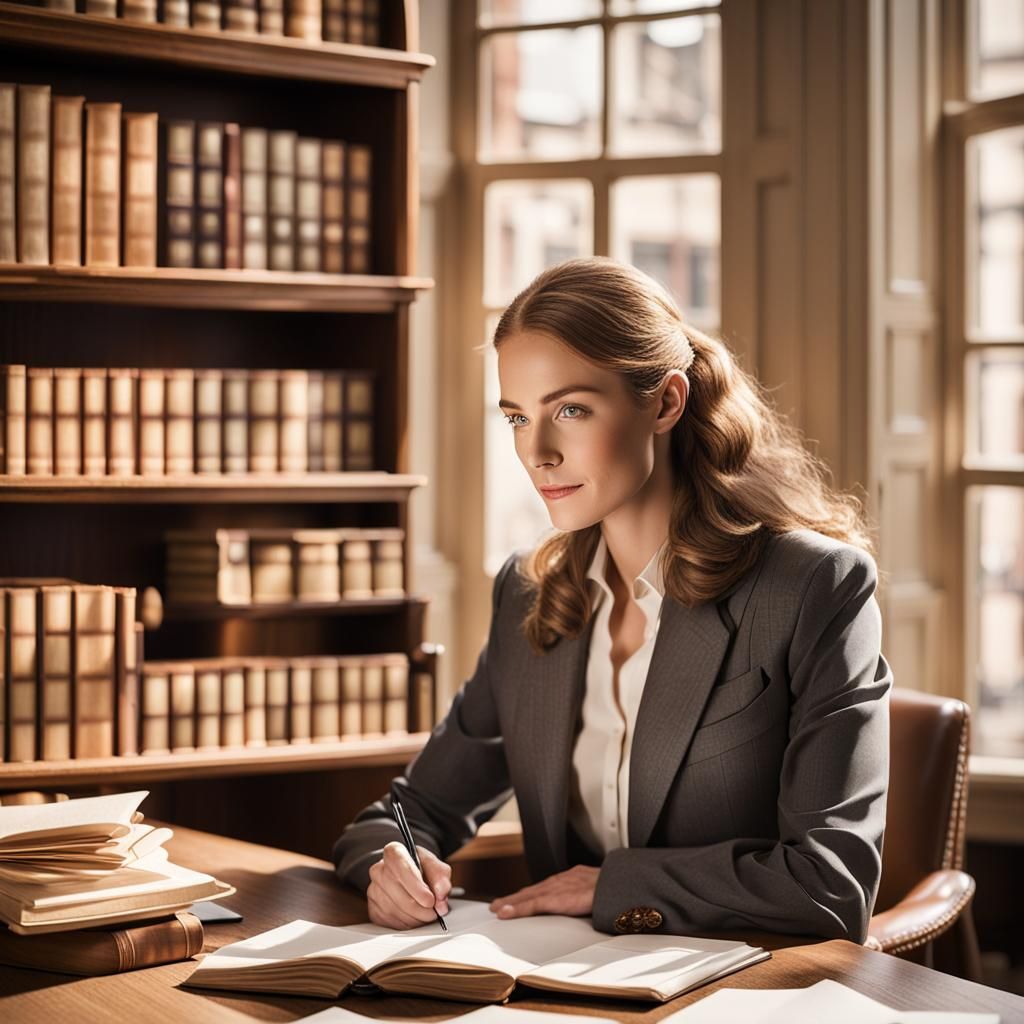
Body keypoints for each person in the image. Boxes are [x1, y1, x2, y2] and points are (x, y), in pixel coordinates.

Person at [332, 257, 891, 942]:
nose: (536, 451)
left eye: (571, 409)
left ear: (665, 402)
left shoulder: (812, 588)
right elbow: (411, 811)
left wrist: (612, 887)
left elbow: (830, 887)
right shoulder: (528, 595)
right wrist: (392, 867)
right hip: (560, 993)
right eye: (516, 417)